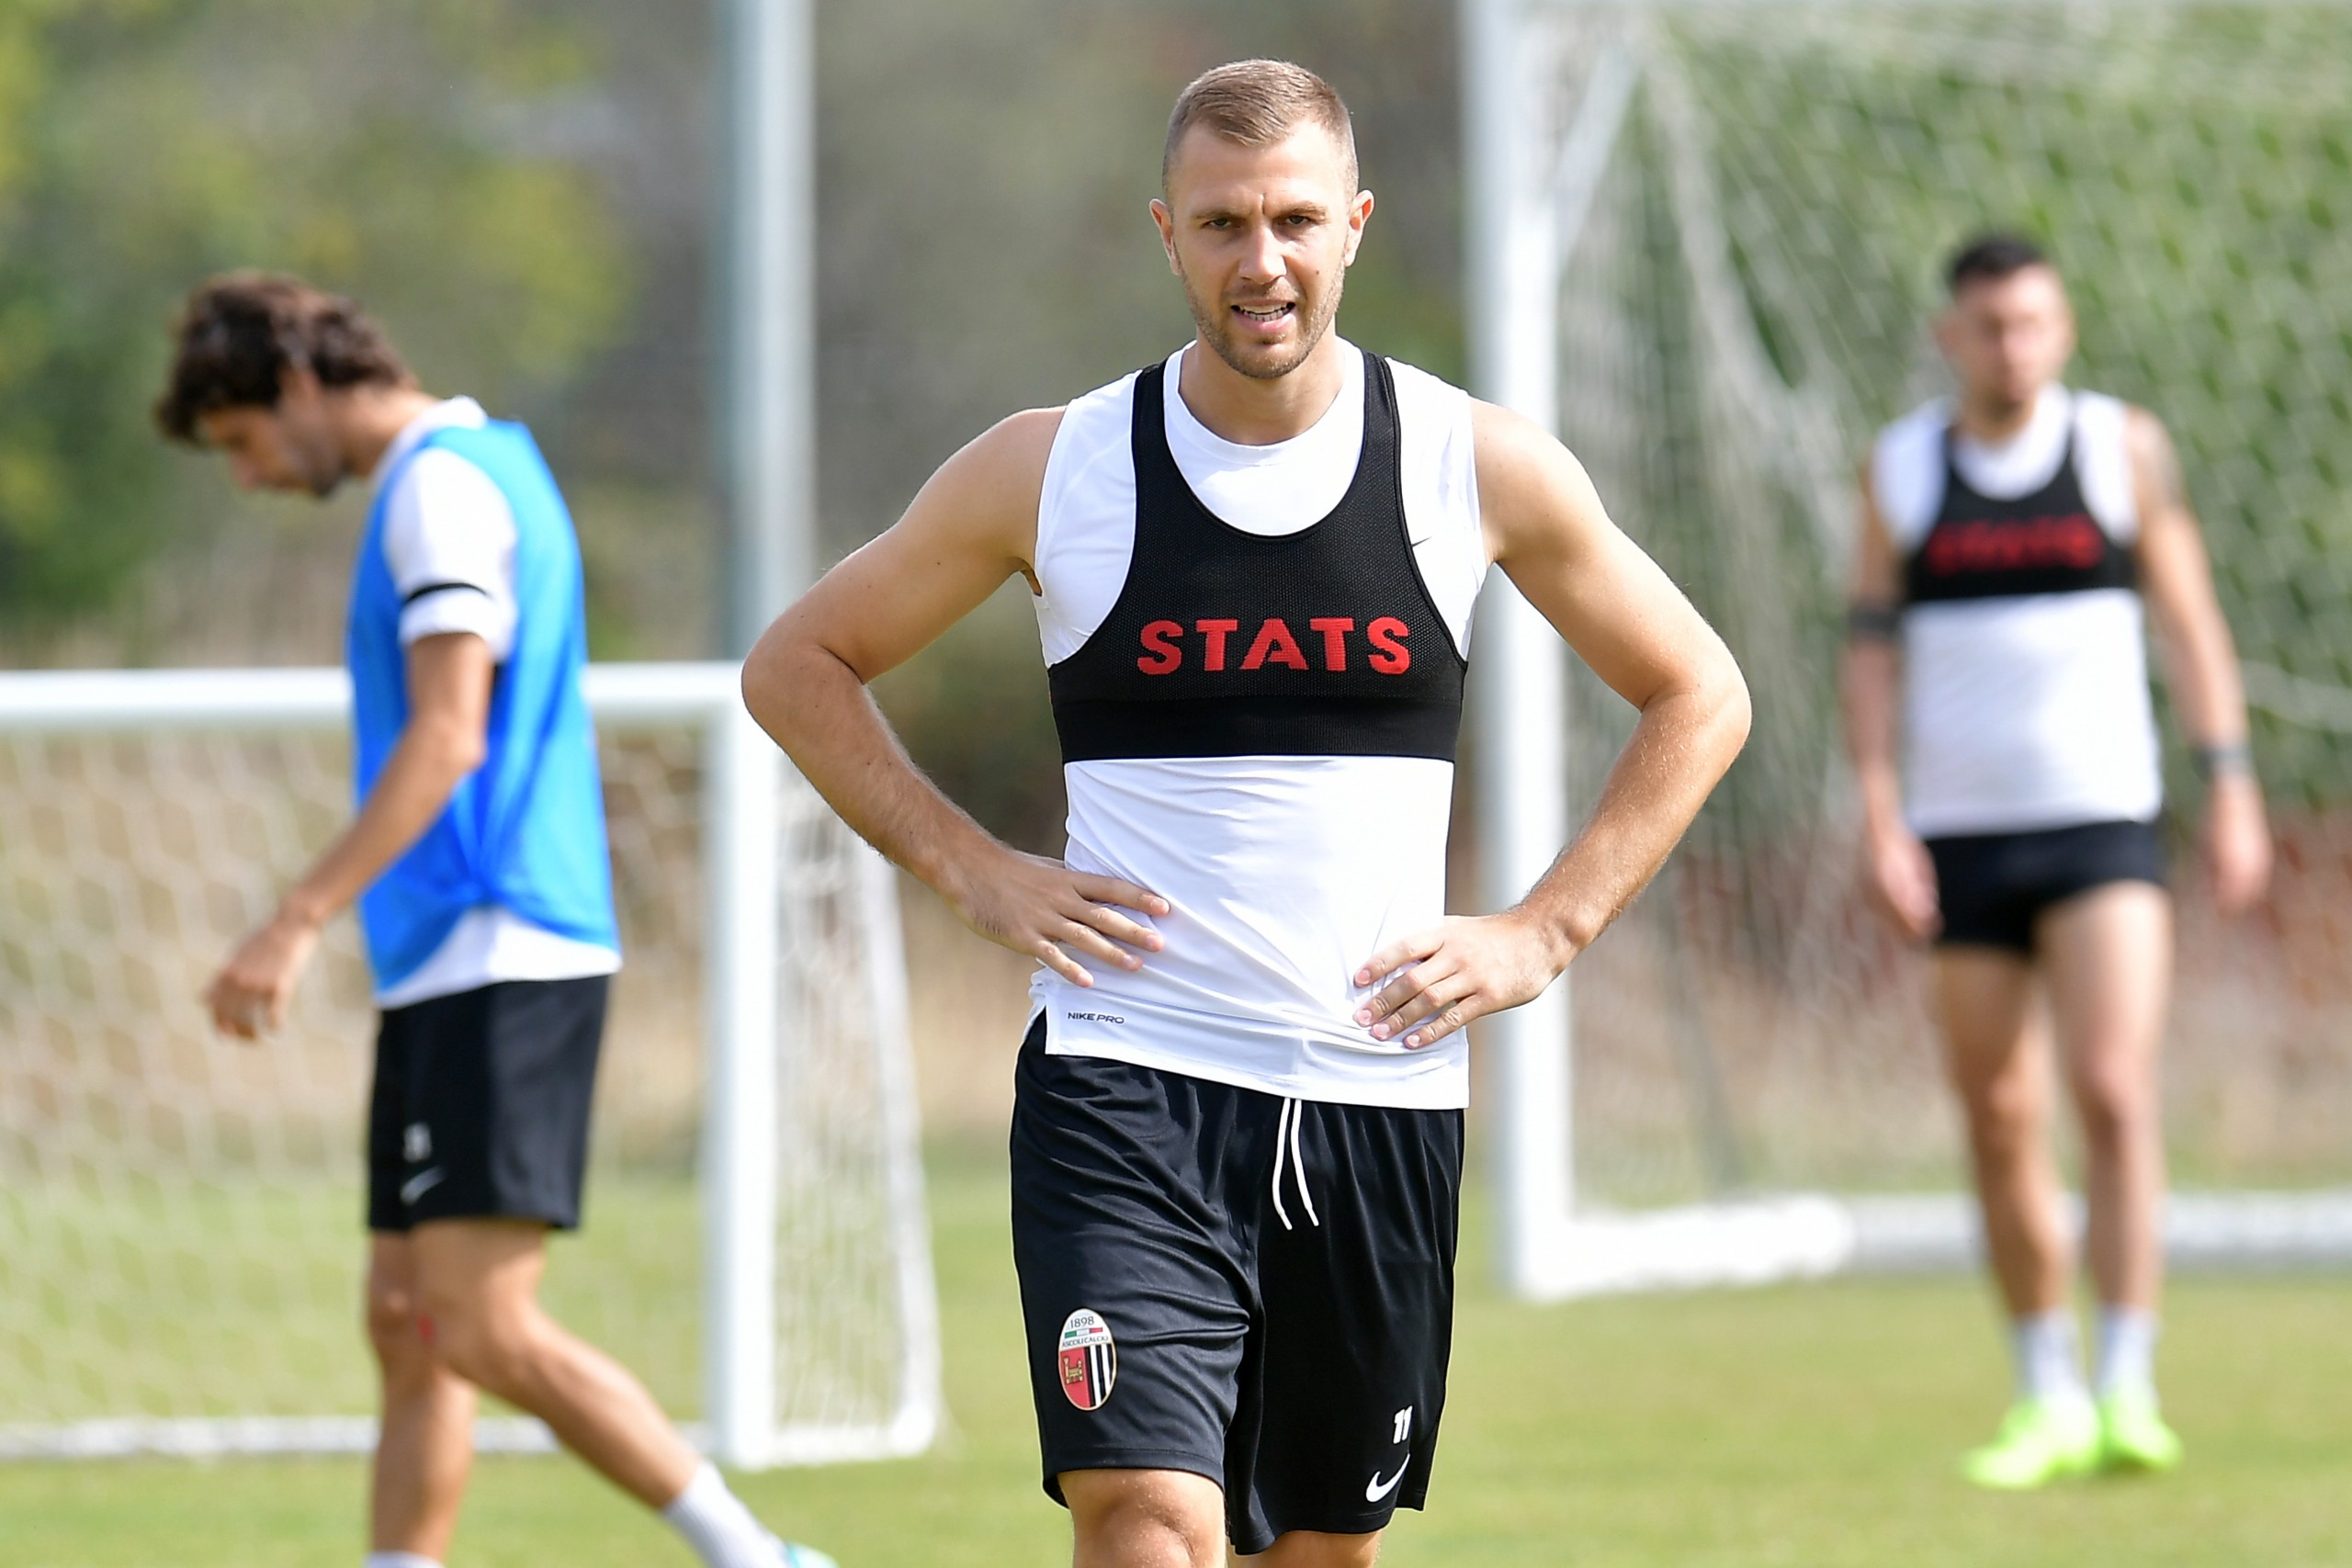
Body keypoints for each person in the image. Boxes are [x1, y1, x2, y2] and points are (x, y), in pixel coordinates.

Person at [743, 60, 1748, 1567]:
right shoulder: (1055, 465)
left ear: (1352, 225)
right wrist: (971, 869)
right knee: (1149, 1527)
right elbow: (797, 665)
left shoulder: (1471, 463)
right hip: (1126, 1085)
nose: (1260, 261)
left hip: (1379, 1096)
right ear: (1167, 234)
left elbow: (1701, 692)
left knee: (1316, 1556)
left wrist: (1550, 928)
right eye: (1222, 223)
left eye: (1291, 220)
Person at [154, 274, 835, 1568]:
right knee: (408, 1316)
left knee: (477, 1326)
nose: (246, 477)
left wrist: (295, 917)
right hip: (452, 958)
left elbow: (451, 731)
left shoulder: (442, 490)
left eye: (242, 443)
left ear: (298, 388)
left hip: (498, 943)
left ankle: (758, 1558)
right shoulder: (473, 470)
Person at [1843, 234, 2272, 1489]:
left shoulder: (2119, 450)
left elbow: (2191, 628)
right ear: (1950, 337)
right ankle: (2045, 1392)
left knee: (2112, 1090)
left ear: (2064, 329)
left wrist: (2232, 786)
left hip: (2102, 825)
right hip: (1959, 837)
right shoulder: (1902, 469)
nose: (2011, 346)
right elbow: (1869, 650)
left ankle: (2130, 1386)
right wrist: (1878, 814)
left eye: (2032, 323)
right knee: (1997, 1112)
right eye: (1988, 326)